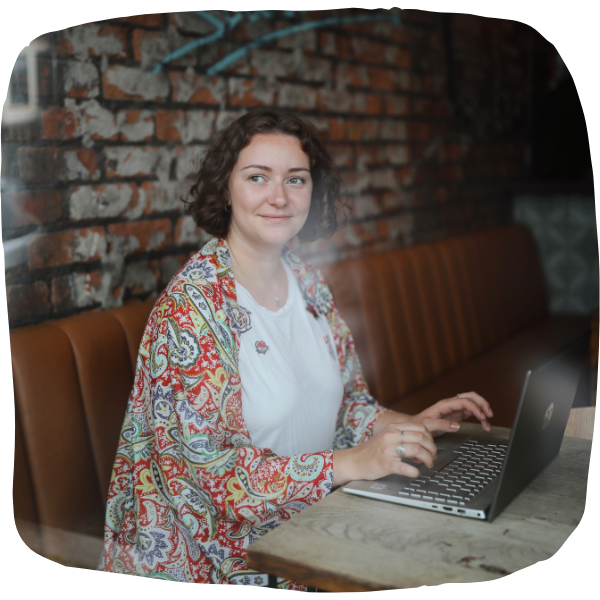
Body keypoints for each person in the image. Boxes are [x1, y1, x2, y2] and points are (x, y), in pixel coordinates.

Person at [100, 109, 493, 589]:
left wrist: (405, 426)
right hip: (222, 560)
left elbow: (346, 405)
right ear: (226, 189)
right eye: (257, 177)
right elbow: (218, 479)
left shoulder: (307, 281)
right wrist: (352, 463)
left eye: (297, 179)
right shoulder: (191, 310)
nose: (279, 197)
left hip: (310, 528)